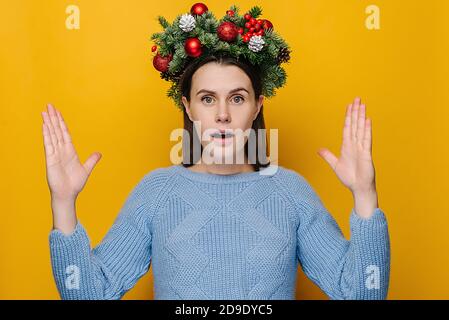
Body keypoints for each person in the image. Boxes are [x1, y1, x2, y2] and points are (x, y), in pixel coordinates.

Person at [42, 5, 390, 300]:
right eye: (207, 98)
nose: (222, 113)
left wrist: (364, 195)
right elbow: (88, 293)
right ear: (189, 108)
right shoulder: (156, 192)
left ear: (257, 107)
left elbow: (361, 293)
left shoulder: (291, 192)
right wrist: (63, 202)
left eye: (237, 98)